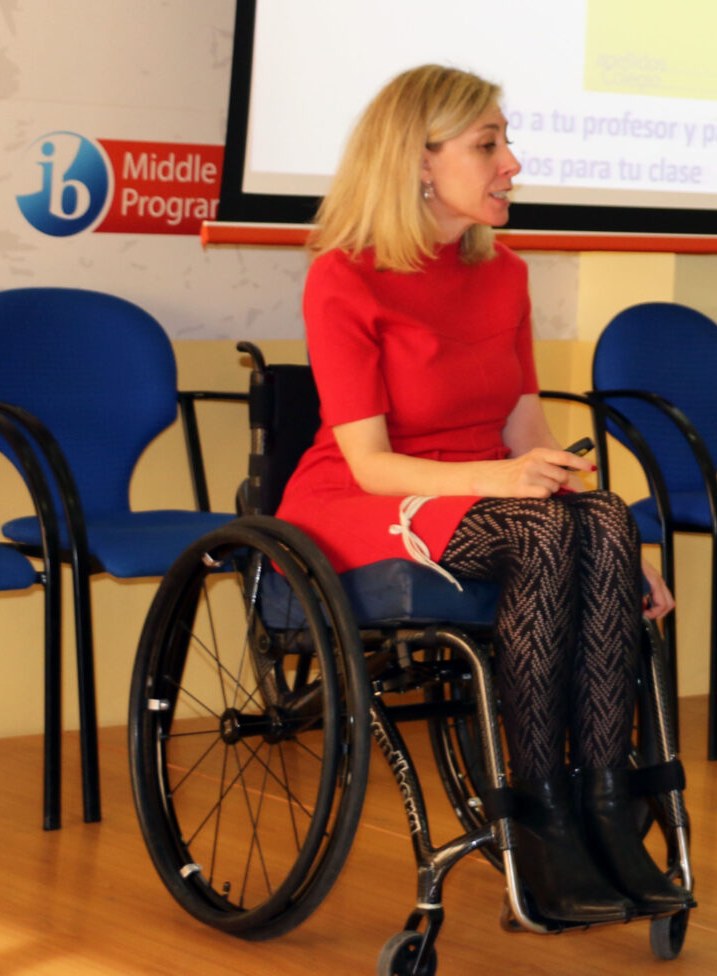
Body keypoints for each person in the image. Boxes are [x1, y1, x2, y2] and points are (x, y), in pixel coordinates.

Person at [278, 64, 687, 925]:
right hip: (369, 499)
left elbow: (526, 430)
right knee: (542, 532)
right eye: (488, 145)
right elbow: (370, 465)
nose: (512, 164)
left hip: (485, 495)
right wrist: (503, 483)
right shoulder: (343, 275)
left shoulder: (504, 274)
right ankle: (539, 827)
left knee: (606, 514)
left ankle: (606, 813)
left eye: (505, 143)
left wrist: (617, 558)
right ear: (419, 163)